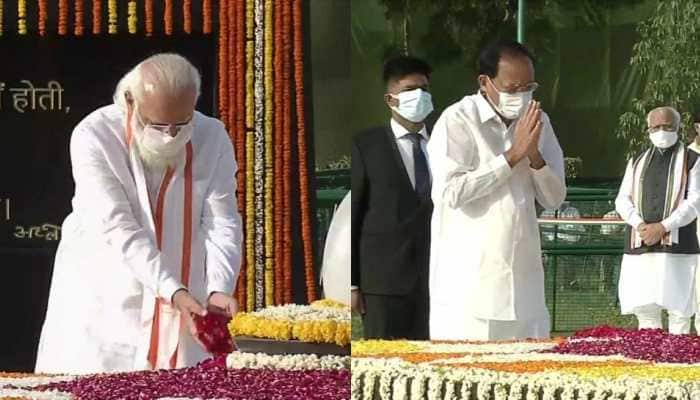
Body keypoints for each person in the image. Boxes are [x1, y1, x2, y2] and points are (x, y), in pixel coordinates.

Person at [35, 53, 243, 373]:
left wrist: (219, 288)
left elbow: (222, 221)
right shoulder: (94, 136)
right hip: (108, 296)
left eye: (181, 124)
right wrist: (173, 291)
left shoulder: (211, 135)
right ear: (130, 101)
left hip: (188, 302)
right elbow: (119, 226)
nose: (170, 135)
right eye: (159, 125)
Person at [427, 40, 566, 340]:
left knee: (530, 374)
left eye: (528, 87)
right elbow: (451, 192)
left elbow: (554, 198)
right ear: (485, 82)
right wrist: (512, 156)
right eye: (512, 88)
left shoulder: (538, 121)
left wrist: (534, 157)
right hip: (470, 289)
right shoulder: (458, 119)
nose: (521, 96)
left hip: (524, 280)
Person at [351, 55, 434, 339]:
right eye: (410, 90)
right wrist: (353, 284)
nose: (419, 96)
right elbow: (355, 216)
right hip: (382, 285)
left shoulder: (444, 144)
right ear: (390, 99)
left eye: (424, 89)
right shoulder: (366, 145)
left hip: (434, 281)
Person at [616, 106, 700, 334]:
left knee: (679, 309)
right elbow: (622, 199)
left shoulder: (693, 160)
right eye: (656, 127)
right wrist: (641, 226)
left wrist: (663, 227)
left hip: (679, 244)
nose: (662, 131)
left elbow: (695, 201)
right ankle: (648, 361)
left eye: (667, 126)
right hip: (641, 241)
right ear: (648, 130)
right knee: (645, 307)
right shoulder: (636, 160)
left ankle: (679, 362)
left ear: (678, 128)